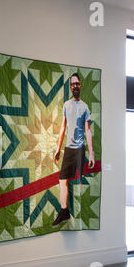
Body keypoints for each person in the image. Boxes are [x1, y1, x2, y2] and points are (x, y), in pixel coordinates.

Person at [52, 73, 95, 227]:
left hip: (80, 149)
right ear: (70, 87)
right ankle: (64, 211)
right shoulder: (66, 105)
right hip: (69, 149)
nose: (75, 86)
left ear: (80, 85)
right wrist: (58, 148)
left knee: (79, 182)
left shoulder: (84, 107)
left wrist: (91, 154)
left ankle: (79, 215)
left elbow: (88, 130)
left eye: (77, 83)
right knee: (62, 179)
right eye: (72, 84)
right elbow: (63, 127)